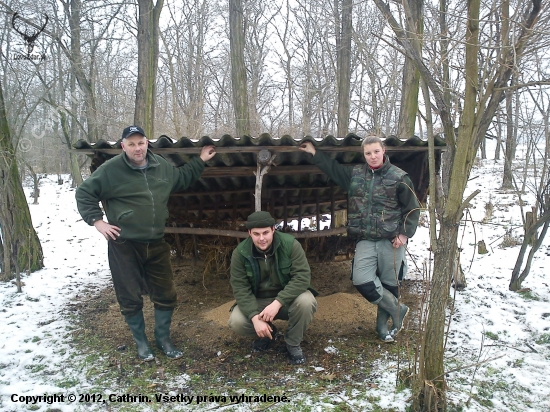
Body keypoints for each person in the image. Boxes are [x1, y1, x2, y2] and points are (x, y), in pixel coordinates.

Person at [75, 125, 216, 361]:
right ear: (123, 146)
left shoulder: (160, 166)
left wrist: (200, 160)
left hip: (156, 242)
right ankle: (141, 343)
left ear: (147, 143)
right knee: (129, 296)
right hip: (124, 244)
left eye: (140, 143)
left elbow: (181, 179)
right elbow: (84, 193)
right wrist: (98, 222)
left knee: (166, 292)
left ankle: (163, 339)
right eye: (131, 144)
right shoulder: (111, 170)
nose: (137, 148)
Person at [299, 136, 419, 343]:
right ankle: (398, 311)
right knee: (361, 280)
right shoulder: (355, 175)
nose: (372, 156)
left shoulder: (399, 177)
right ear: (363, 155)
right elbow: (333, 169)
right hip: (364, 239)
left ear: (384, 150)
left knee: (390, 284)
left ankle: (382, 328)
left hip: (392, 241)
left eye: (376, 152)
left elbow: (413, 208)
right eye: (368, 153)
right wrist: (314, 153)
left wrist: (404, 233)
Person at [228, 211, 318, 364]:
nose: (261, 238)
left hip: (286, 300)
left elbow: (302, 277)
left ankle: (292, 343)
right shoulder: (240, 253)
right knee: (236, 321)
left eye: (265, 233)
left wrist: (278, 302)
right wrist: (255, 318)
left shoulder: (290, 244)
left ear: (273, 230)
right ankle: (267, 333)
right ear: (249, 233)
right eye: (256, 234)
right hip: (259, 302)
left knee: (306, 301)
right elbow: (240, 288)